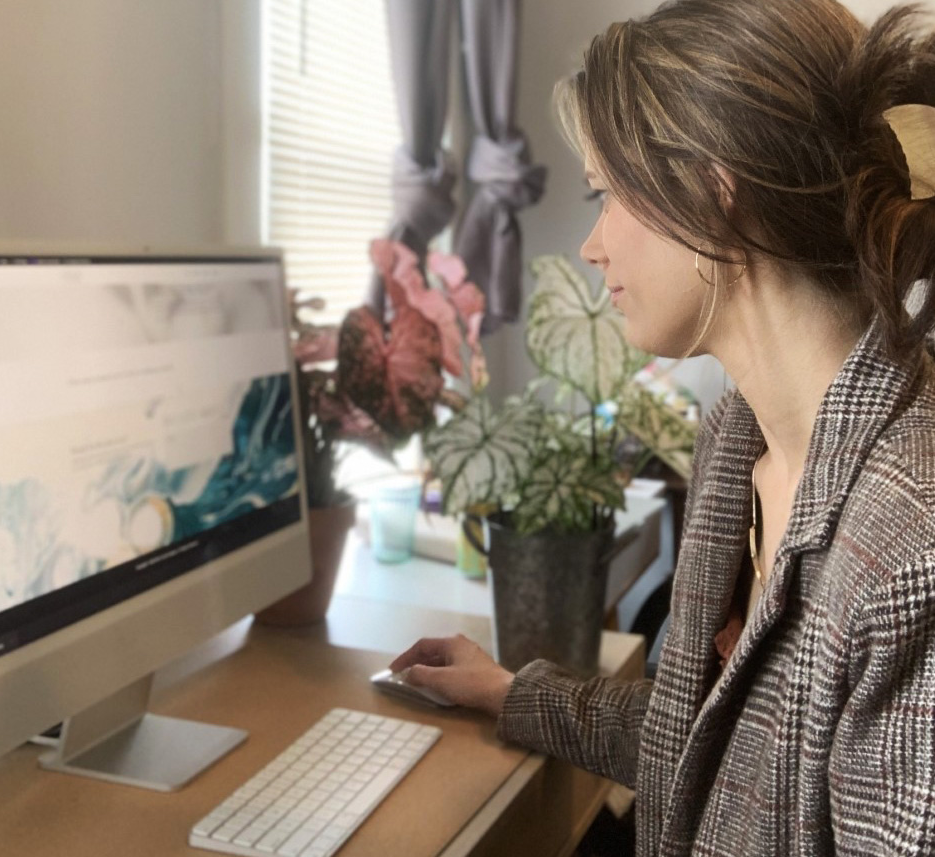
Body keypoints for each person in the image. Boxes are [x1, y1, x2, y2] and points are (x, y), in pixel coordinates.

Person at [390, 1, 935, 854]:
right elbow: (720, 743)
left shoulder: (913, 551)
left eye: (606, 194)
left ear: (713, 193)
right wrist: (511, 691)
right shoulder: (738, 443)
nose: (591, 247)